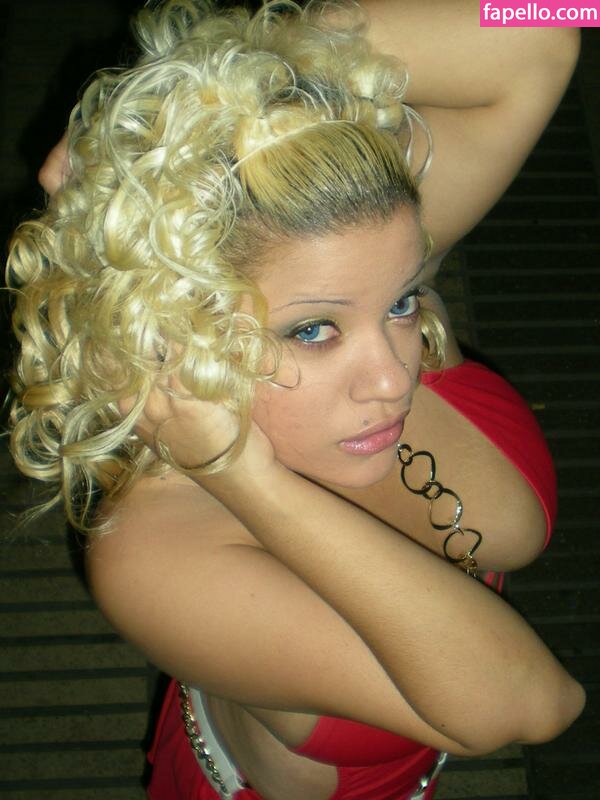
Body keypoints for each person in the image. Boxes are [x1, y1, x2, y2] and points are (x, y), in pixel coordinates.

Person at [7, 1, 584, 798]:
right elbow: (535, 705)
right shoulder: (150, 551)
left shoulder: (351, 260)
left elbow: (549, 23)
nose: (394, 378)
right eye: (313, 332)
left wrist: (219, 76)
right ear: (180, 322)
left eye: (406, 300)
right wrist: (244, 478)